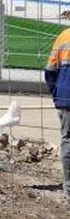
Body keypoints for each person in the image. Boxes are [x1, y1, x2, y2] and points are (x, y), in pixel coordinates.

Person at [45, 24, 70, 203]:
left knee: (68, 140)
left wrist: (57, 95)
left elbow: (49, 70)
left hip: (65, 96)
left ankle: (68, 188)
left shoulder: (63, 36)